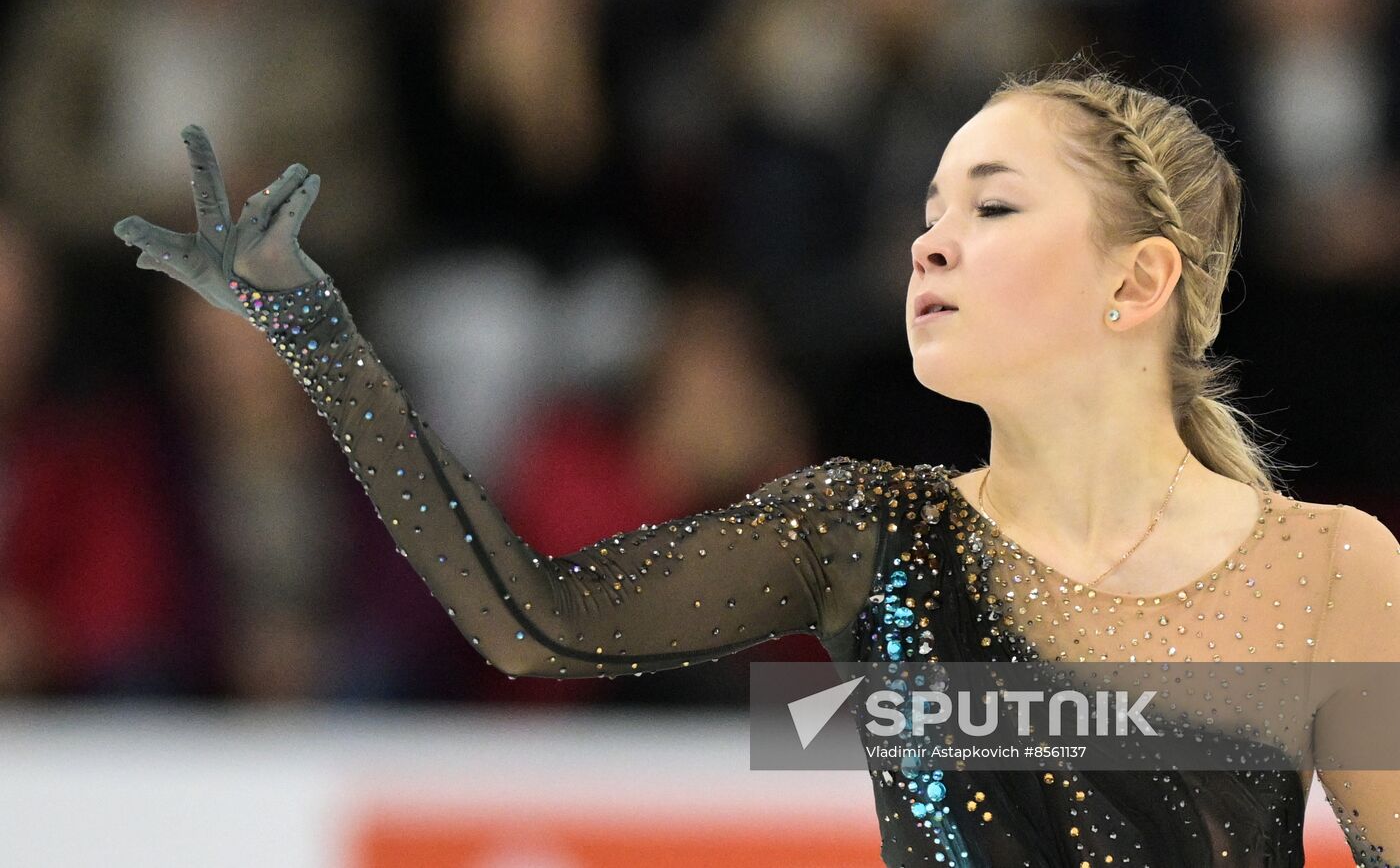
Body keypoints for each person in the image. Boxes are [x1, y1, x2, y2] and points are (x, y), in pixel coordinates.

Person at [112, 59, 1400, 867]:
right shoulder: (863, 531)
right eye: (931, 210)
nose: (930, 245)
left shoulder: (1326, 570)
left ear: (1141, 280)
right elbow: (535, 622)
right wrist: (315, 334)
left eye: (992, 207)